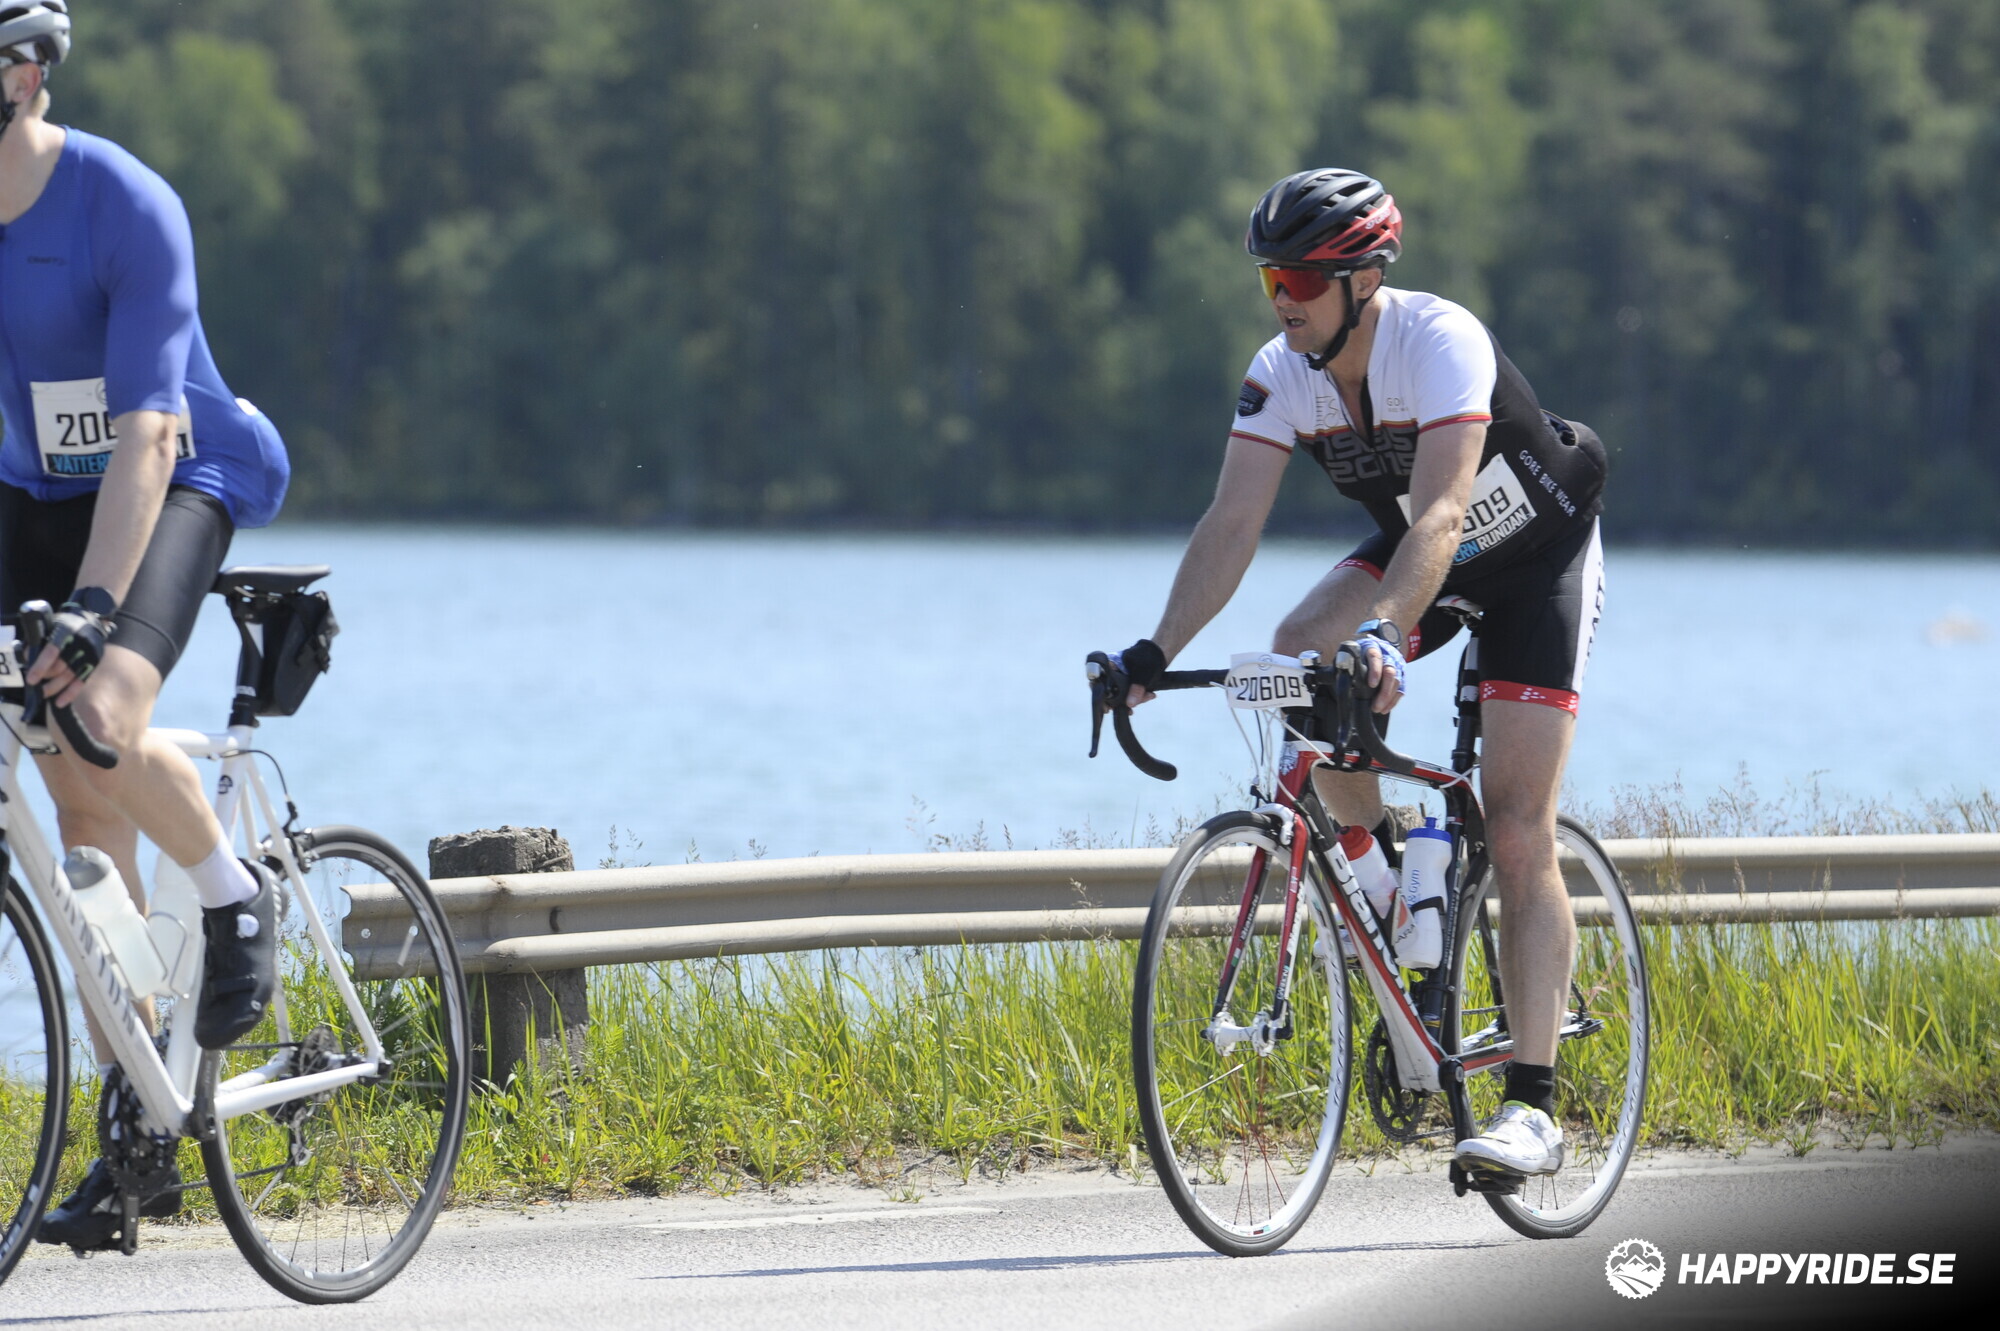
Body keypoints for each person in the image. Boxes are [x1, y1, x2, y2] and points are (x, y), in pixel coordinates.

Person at [1103, 168, 1606, 1181]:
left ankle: (1532, 1107)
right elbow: (1231, 523)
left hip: (1531, 562)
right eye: (1268, 280)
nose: (1280, 299)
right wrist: (1153, 652)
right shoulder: (1281, 371)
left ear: (1363, 278)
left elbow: (1444, 511)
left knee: (1517, 824)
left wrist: (1382, 632)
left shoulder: (1440, 341)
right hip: (1426, 558)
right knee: (1295, 653)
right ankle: (1386, 874)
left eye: (1297, 279)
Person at [0, 2, 288, 1248]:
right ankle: (137, 1126)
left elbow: (149, 435)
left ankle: (233, 892)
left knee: (99, 716)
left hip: (177, 473)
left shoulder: (123, 205)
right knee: (74, 810)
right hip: (30, 491)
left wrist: (92, 611)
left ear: (22, 75)